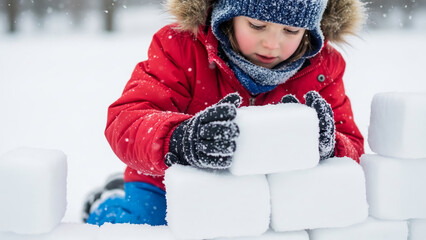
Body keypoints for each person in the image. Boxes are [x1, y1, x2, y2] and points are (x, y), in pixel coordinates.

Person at [83, 0, 366, 226]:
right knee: (147, 223)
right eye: (257, 25)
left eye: (291, 31)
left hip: (271, 193)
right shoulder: (181, 46)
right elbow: (128, 120)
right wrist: (179, 140)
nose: (272, 43)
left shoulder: (322, 68)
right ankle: (107, 201)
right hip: (167, 186)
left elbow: (352, 144)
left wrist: (330, 146)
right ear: (227, 15)